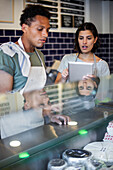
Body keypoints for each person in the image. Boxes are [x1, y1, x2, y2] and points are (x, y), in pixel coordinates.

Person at [0, 5, 70, 125]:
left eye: (47, 30)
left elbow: (40, 92)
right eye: (40, 29)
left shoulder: (39, 55)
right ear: (24, 28)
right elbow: (5, 102)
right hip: (15, 128)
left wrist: (49, 115)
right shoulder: (8, 53)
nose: (45, 35)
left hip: (38, 122)